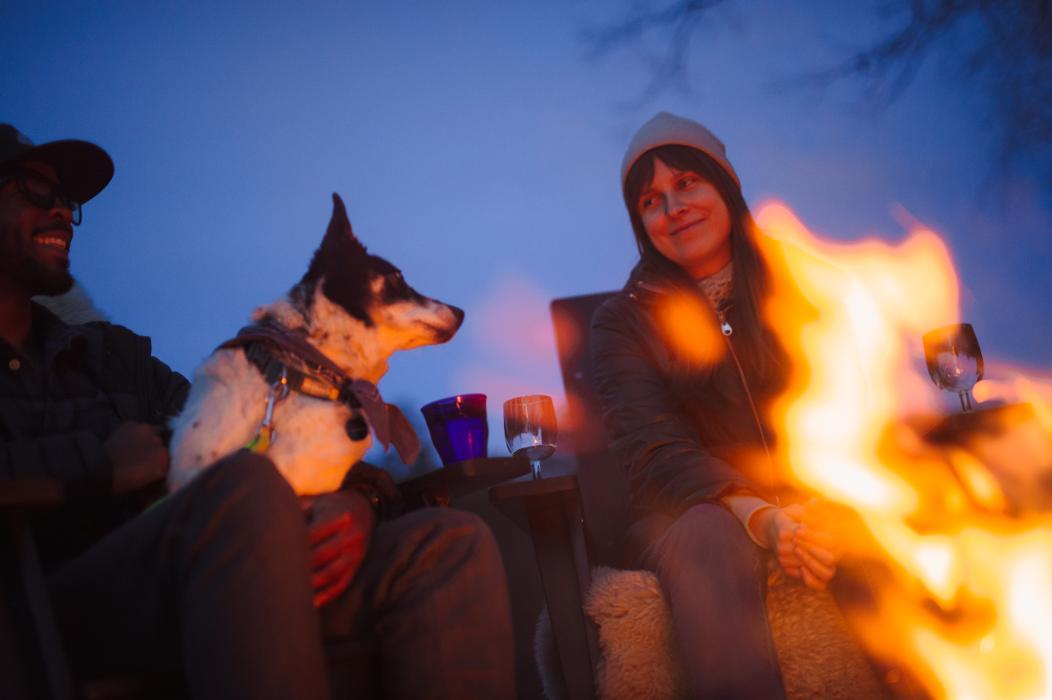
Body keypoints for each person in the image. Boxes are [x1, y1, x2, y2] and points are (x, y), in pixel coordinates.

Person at [0, 123, 514, 699]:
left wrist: (358, 501)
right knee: (242, 485)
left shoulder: (110, 358)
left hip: (209, 574)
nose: (63, 213)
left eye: (67, 200)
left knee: (446, 543)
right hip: (44, 607)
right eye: (35, 191)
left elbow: (248, 426)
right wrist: (96, 464)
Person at [590, 112, 843, 698]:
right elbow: (653, 450)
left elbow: (854, 407)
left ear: (724, 186)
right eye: (651, 200)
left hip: (812, 491)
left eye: (687, 184)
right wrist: (757, 511)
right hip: (685, 513)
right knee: (709, 533)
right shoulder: (623, 323)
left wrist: (820, 505)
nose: (673, 208)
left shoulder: (802, 282)